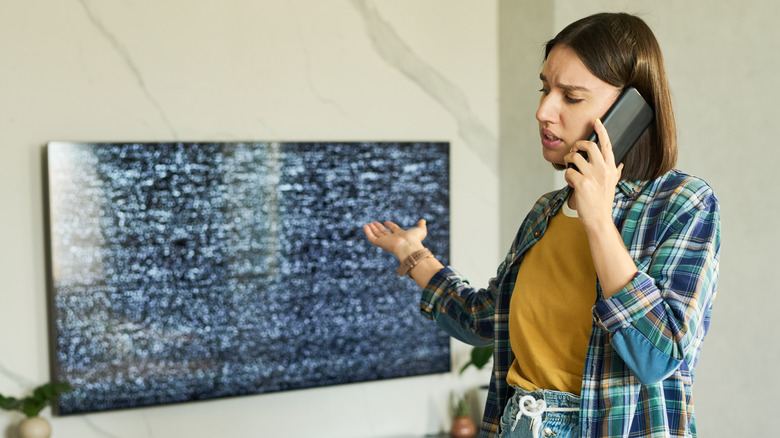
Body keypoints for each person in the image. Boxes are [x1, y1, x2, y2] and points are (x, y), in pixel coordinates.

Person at [363, 12, 720, 438]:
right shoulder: (544, 213)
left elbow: (656, 359)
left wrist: (598, 220)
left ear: (632, 111)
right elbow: (486, 320)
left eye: (570, 97)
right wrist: (412, 254)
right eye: (545, 89)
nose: (542, 111)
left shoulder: (684, 204)